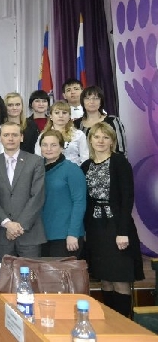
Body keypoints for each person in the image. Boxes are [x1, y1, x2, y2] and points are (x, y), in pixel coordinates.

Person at [81, 122, 143, 317]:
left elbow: (127, 198)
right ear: (90, 140)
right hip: (95, 229)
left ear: (112, 141)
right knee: (105, 279)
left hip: (116, 227)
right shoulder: (86, 165)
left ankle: (124, 324)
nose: (101, 141)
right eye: (96, 137)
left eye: (105, 137)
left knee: (120, 278)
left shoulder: (119, 162)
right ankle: (110, 323)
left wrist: (122, 232)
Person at [0, 122, 45, 260]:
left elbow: (37, 196)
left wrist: (19, 226)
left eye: (14, 135)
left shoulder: (35, 161)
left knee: (31, 273)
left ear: (22, 137)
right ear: (0, 138)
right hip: (2, 234)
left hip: (29, 234)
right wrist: (7, 223)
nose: (10, 138)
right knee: (4, 274)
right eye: (6, 135)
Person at [38, 130, 86, 258]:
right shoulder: (37, 169)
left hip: (65, 236)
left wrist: (73, 233)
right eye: (44, 145)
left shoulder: (72, 169)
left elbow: (79, 202)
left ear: (61, 147)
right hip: (41, 235)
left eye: (53, 145)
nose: (48, 149)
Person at [74, 86, 127, 156]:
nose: (91, 102)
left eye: (96, 98)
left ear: (101, 102)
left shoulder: (113, 121)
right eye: (87, 98)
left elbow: (121, 149)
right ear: (82, 102)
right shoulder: (75, 124)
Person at [35, 101, 89, 166]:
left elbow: (85, 158)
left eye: (64, 113)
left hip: (74, 169)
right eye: (57, 113)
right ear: (51, 116)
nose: (61, 116)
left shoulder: (79, 134)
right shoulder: (44, 135)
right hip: (49, 170)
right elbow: (38, 157)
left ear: (69, 116)